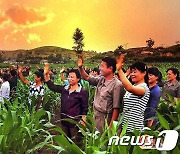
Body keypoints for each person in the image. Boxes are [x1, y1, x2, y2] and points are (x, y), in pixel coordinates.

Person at [78, 55, 124, 133]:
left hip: (105, 120)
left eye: (102, 66)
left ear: (110, 69)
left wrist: (111, 127)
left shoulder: (117, 85)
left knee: (103, 142)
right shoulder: (101, 80)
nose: (100, 68)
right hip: (96, 117)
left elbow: (116, 108)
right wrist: (80, 67)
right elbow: (86, 77)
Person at [44, 64, 88, 140]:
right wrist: (46, 74)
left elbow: (84, 109)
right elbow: (52, 87)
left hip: (75, 123)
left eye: (72, 77)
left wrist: (83, 122)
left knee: (75, 142)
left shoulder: (82, 92)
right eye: (68, 77)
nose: (69, 78)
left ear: (78, 79)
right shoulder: (65, 89)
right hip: (64, 121)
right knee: (66, 141)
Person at [116, 55, 150, 132]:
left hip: (135, 129)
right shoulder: (134, 85)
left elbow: (130, 88)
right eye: (131, 72)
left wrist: (119, 70)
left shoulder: (144, 88)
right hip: (125, 127)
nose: (132, 74)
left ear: (144, 73)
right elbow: (122, 83)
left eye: (135, 72)